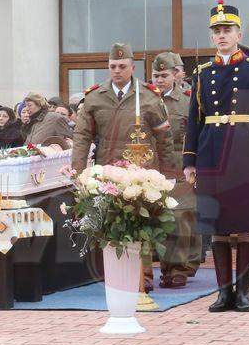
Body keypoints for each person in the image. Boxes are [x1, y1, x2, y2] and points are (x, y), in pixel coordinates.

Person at [183, 0, 249, 312]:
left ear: (239, 33)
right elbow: (195, 119)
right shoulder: (203, 72)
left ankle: (244, 292)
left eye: (228, 30)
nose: (222, 35)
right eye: (217, 31)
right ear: (212, 37)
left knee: (246, 222)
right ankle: (224, 292)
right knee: (218, 224)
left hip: (245, 151)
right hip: (212, 151)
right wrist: (189, 160)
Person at [71, 43, 176, 292]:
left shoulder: (149, 96)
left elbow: (165, 139)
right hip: (107, 169)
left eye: (122, 66)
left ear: (132, 67)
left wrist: (168, 174)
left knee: (141, 223)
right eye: (112, 66)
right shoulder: (95, 97)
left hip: (141, 170)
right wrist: (77, 171)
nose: (116, 71)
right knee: (109, 222)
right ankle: (115, 276)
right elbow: (82, 136)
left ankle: (144, 276)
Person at [151, 53, 201, 288]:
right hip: (154, 168)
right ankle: (165, 268)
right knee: (159, 219)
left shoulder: (188, 101)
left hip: (180, 166)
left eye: (164, 75)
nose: (159, 80)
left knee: (180, 218)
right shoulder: (148, 100)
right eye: (155, 75)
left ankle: (179, 268)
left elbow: (197, 135)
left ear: (176, 75)